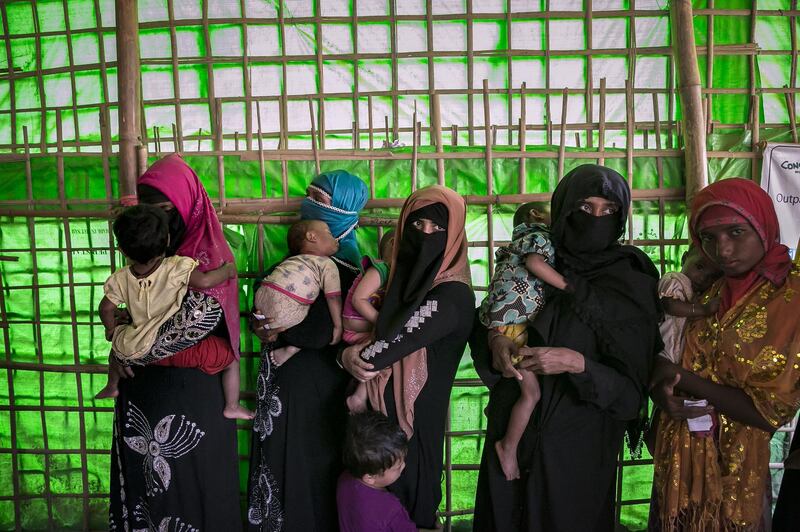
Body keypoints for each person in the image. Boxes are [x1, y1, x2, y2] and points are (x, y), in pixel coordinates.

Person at [471, 164, 663, 531]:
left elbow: (629, 395)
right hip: (512, 436)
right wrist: (495, 341)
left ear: (621, 216)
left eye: (608, 210)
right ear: (562, 208)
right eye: (584, 207)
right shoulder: (535, 259)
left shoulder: (629, 280)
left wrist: (577, 364)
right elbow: (496, 314)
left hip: (578, 454)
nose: (595, 218)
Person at [650, 178, 800, 531]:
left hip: (736, 464)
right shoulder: (708, 289)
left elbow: (768, 412)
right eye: (709, 238)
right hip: (680, 458)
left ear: (763, 227)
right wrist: (663, 390)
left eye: (736, 232)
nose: (723, 250)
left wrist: (684, 380)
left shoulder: (789, 296)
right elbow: (668, 354)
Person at [108, 153, 242, 530]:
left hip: (192, 398)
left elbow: (197, 321)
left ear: (186, 207)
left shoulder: (207, 257)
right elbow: (122, 308)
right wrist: (123, 334)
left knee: (193, 490)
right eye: (149, 212)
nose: (157, 221)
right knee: (147, 491)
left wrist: (126, 347)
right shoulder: (147, 250)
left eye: (166, 211)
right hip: (142, 393)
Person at [341, 185, 474, 529]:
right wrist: (347, 356)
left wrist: (348, 356)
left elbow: (389, 345)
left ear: (455, 234)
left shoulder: (451, 295)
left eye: (438, 229)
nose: (426, 235)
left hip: (411, 437)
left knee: (408, 512)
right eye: (418, 227)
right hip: (376, 438)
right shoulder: (402, 285)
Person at [247, 170, 368, 532]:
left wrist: (280, 329)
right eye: (310, 194)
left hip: (320, 387)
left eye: (323, 199)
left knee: (312, 470)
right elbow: (267, 312)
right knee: (280, 466)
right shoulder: (297, 263)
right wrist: (264, 326)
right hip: (282, 383)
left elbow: (324, 334)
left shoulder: (356, 275)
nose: (311, 204)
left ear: (347, 214)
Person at [95, 205, 252, 419]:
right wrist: (227, 270)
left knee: (117, 349)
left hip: (137, 346)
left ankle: (112, 385)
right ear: (168, 240)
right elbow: (205, 281)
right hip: (174, 344)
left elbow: (105, 308)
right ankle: (232, 406)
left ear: (121, 250)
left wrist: (111, 330)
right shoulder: (175, 267)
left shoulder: (120, 278)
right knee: (231, 358)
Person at [478, 201, 567, 481]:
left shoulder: (520, 241)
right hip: (514, 325)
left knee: (522, 389)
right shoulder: (539, 238)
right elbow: (535, 264)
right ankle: (508, 447)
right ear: (536, 215)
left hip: (505, 321)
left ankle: (497, 411)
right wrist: (569, 286)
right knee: (532, 394)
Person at [253, 219, 343, 366]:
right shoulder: (326, 263)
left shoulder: (288, 262)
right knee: (321, 334)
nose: (336, 238)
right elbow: (334, 298)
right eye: (329, 233)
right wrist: (338, 326)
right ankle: (294, 347)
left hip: (262, 300)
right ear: (312, 236)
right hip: (288, 316)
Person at [337, 411, 416, 532]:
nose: (404, 465)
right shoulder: (390, 509)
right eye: (397, 467)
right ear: (369, 477)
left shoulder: (344, 479)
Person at [343, 230, 395, 413]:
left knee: (382, 354)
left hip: (363, 326)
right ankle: (359, 397)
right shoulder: (381, 269)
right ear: (394, 244)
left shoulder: (393, 274)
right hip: (356, 324)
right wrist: (381, 323)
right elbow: (359, 300)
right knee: (385, 349)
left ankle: (361, 396)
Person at [656, 246, 722, 365]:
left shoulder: (696, 292)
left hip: (678, 351)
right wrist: (703, 309)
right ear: (684, 258)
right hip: (663, 345)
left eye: (712, 276)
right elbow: (669, 305)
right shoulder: (674, 279)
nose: (703, 278)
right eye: (699, 267)